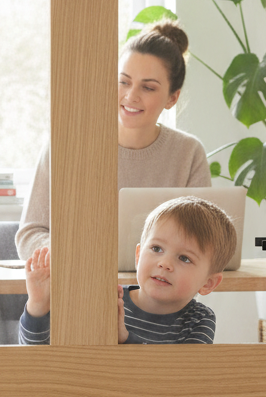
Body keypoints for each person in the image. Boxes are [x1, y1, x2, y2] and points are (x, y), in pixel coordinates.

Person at [15, 20, 211, 261]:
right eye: (123, 81)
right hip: (80, 286)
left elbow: (203, 242)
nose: (131, 96)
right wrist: (71, 257)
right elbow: (30, 233)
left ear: (172, 98)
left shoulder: (188, 153)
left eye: (148, 88)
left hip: (160, 293)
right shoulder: (66, 144)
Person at [19, 196, 236, 345]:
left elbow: (180, 380)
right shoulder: (109, 299)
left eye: (184, 258)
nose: (165, 263)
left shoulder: (199, 320)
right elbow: (38, 357)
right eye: (157, 248)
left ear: (208, 283)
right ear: (138, 255)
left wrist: (125, 339)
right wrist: (38, 305)